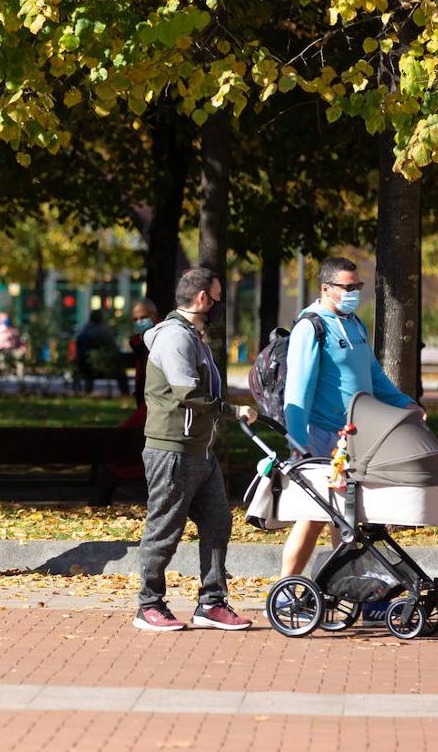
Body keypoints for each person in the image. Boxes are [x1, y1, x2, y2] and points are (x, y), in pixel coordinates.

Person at [280, 256, 425, 581]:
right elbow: (297, 394)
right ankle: (287, 588)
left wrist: (405, 403)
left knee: (343, 520)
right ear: (326, 288)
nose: (354, 292)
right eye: (347, 287)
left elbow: (373, 376)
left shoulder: (355, 324)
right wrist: (298, 444)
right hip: (321, 438)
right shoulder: (312, 327)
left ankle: (347, 589)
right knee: (316, 517)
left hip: (354, 439)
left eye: (357, 286)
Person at [134, 268, 256, 632]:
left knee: (218, 522)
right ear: (202, 298)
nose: (220, 305)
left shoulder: (191, 336)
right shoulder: (175, 337)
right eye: (218, 298)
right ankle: (148, 605)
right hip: (172, 449)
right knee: (164, 529)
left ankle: (212, 602)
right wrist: (234, 410)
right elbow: (188, 393)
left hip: (199, 451)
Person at [75, 310, 127, 396]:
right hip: (101, 368)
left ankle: (87, 391)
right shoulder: (103, 331)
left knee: (89, 374)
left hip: (84, 368)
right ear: (101, 318)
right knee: (121, 374)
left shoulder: (83, 330)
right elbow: (113, 349)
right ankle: (125, 394)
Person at [129, 299, 160, 408]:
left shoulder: (164, 339)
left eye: (143, 317)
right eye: (135, 319)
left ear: (155, 316)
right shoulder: (138, 343)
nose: (139, 322)